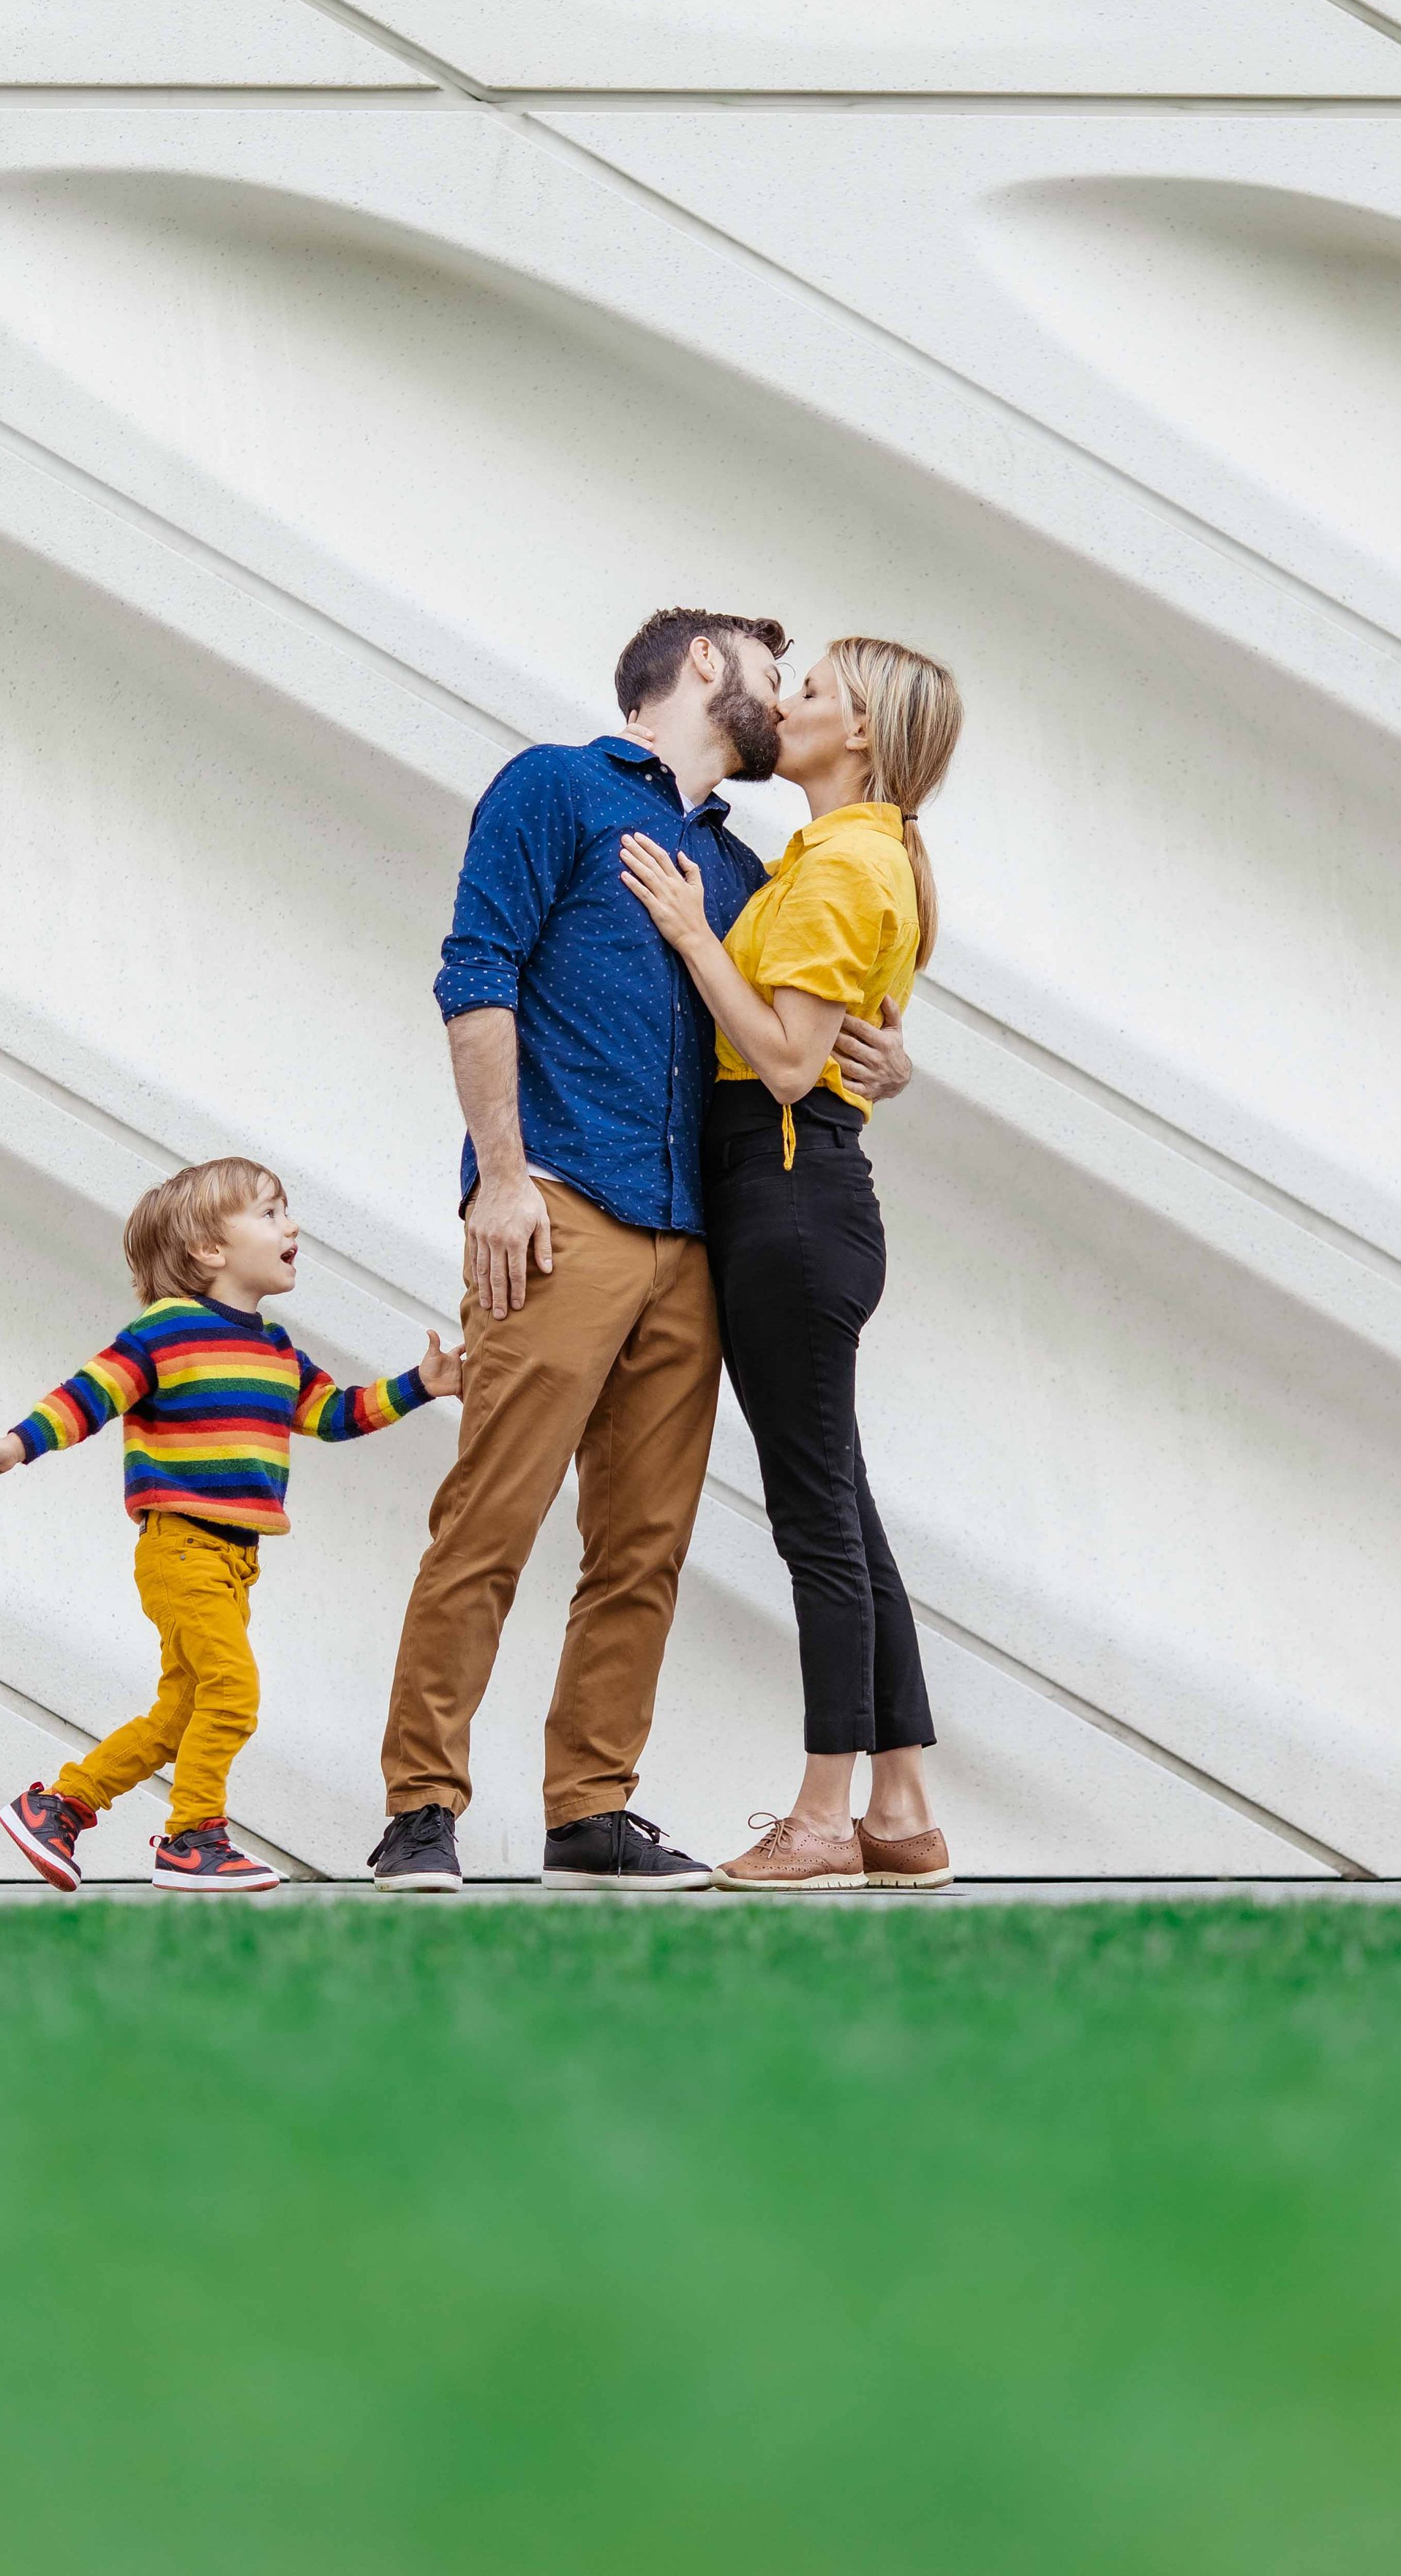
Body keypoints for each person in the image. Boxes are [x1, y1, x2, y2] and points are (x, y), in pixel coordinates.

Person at [370, 610, 912, 1894]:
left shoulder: (743, 869)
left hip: (697, 1246)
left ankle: (591, 1810)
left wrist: (896, 1065)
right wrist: (502, 1181)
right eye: (773, 672)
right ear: (707, 666)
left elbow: (800, 1027)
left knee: (643, 1546)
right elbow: (475, 974)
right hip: (563, 1214)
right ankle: (422, 1809)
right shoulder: (552, 786)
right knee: (489, 1520)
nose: (786, 699)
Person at [620, 636, 961, 1890]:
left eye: (812, 690)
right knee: (845, 1511)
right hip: (805, 1196)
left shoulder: (843, 869)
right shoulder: (842, 861)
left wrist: (689, 928)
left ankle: (823, 1818)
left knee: (818, 1521)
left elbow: (779, 1057)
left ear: (860, 736)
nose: (786, 701)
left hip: (784, 1197)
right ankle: (905, 1807)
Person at [0, 1157, 462, 1894]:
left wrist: (422, 1386)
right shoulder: (164, 1333)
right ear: (208, 1251)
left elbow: (333, 1414)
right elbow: (87, 1397)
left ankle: (58, 1804)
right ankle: (193, 1836)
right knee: (232, 1691)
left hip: (234, 1561)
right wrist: (16, 1443)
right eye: (271, 1213)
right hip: (180, 1547)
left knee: (180, 1709)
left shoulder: (276, 1349)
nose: (293, 1227)